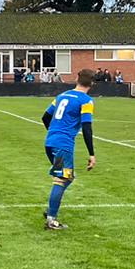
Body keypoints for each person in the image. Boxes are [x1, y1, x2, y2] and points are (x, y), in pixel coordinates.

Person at [41, 69, 96, 231]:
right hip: (62, 146)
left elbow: (45, 117)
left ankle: (51, 208)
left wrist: (54, 133)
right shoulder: (86, 100)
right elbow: (87, 127)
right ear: (92, 83)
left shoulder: (62, 96)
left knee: (67, 176)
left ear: (77, 79)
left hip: (51, 142)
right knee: (62, 179)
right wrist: (91, 154)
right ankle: (51, 220)